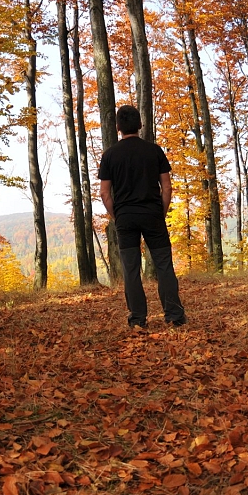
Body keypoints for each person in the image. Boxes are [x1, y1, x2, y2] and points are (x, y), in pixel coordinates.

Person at [98, 105, 186, 328]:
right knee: (164, 265)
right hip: (152, 214)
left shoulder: (109, 155)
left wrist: (117, 216)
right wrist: (161, 212)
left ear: (117, 127)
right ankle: (174, 316)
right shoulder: (154, 151)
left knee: (130, 269)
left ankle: (138, 319)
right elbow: (167, 187)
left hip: (125, 217)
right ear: (139, 124)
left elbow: (105, 193)